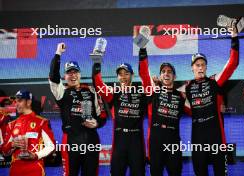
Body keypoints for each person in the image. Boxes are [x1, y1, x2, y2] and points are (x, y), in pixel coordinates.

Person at [178, 26, 239, 175]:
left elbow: (232, 64)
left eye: (203, 65)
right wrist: (159, 83)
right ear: (192, 68)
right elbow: (184, 108)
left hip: (216, 135)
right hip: (198, 136)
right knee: (200, 172)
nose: (200, 67)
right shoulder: (185, 88)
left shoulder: (214, 82)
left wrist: (234, 38)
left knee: (220, 172)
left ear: (206, 67)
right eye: (197, 65)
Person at [49, 43, 107, 176]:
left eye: (75, 72)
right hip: (71, 141)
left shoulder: (92, 91)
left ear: (80, 74)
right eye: (69, 73)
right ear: (65, 76)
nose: (73, 75)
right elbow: (53, 77)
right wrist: (58, 53)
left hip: (91, 140)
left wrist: (96, 123)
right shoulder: (61, 92)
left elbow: (102, 116)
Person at [92, 59, 147, 175]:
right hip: (119, 140)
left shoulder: (141, 93)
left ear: (132, 75)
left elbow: (147, 79)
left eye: (126, 73)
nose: (123, 77)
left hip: (136, 140)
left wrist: (143, 54)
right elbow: (98, 84)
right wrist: (97, 63)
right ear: (117, 77)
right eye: (120, 74)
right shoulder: (113, 93)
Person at [138, 47, 186, 176]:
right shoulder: (153, 91)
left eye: (169, 71)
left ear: (174, 76)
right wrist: (142, 50)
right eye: (163, 71)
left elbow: (197, 110)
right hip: (156, 140)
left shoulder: (181, 96)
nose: (166, 73)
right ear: (160, 76)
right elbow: (143, 73)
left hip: (173, 140)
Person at [2, 90, 55, 176]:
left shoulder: (42, 122)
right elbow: (5, 152)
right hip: (15, 169)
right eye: (15, 102)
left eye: (19, 101)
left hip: (34, 168)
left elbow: (51, 146)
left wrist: (36, 155)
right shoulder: (11, 124)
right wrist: (12, 144)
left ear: (29, 102)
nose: (16, 104)